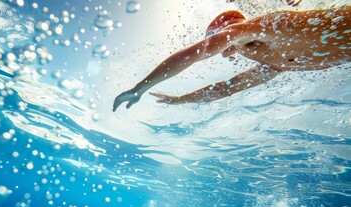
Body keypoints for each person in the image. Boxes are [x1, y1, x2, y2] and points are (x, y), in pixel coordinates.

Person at [112, 5, 351, 112]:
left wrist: (140, 87)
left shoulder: (254, 27)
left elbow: (195, 54)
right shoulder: (273, 63)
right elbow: (227, 89)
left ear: (224, 28)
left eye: (213, 35)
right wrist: (181, 100)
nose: (220, 45)